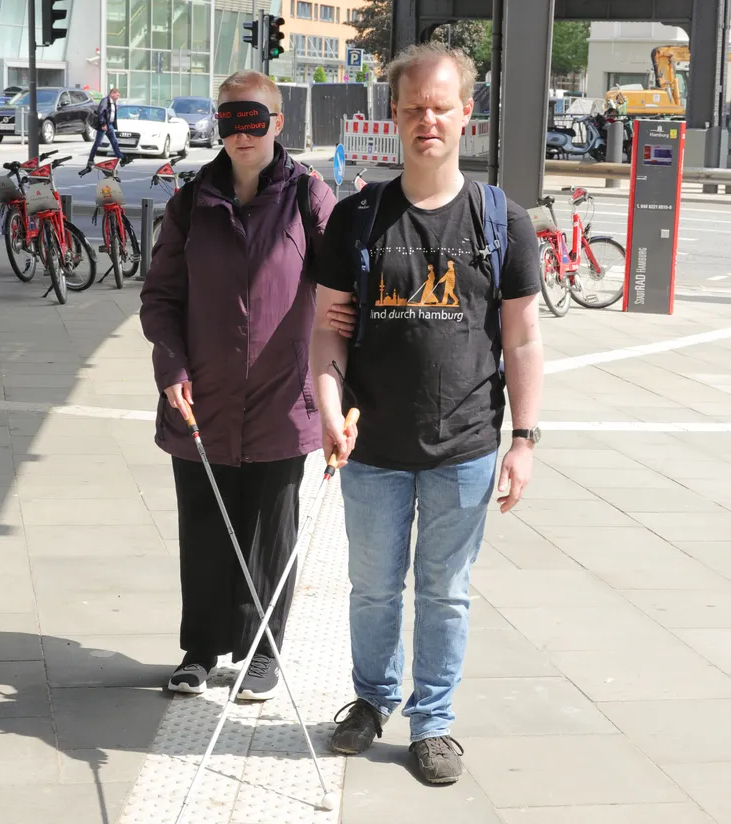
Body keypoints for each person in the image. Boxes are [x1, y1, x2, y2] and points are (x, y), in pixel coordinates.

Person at [310, 43, 544, 784]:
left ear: (466, 114)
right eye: (413, 108)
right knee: (374, 586)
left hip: (467, 448)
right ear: (395, 117)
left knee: (444, 591)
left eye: (441, 106)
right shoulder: (356, 219)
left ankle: (433, 722)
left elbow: (523, 338)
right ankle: (372, 701)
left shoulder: (501, 219)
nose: (427, 120)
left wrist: (525, 440)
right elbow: (326, 331)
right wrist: (325, 408)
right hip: (371, 446)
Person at [139, 71, 336, 699]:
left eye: (255, 118)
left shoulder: (309, 196)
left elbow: (340, 294)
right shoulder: (190, 201)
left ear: (279, 123)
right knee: (204, 527)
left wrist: (340, 386)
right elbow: (161, 298)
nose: (242, 132)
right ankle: (199, 649)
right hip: (201, 400)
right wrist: (171, 366)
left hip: (283, 401)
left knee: (269, 532)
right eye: (229, 119)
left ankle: (261, 653)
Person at [87, 87, 124, 167]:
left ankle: (121, 158)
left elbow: (111, 114)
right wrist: (103, 124)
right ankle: (90, 159)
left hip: (109, 125)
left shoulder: (113, 102)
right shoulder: (105, 101)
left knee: (114, 141)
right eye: (117, 95)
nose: (118, 97)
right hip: (103, 125)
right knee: (98, 143)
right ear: (112, 94)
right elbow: (100, 112)